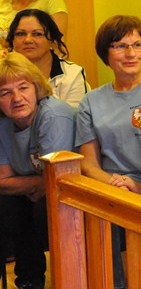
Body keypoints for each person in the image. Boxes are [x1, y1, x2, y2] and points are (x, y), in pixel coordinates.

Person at [74, 15, 141, 289]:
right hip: (114, 190)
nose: (130, 53)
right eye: (119, 46)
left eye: (137, 45)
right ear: (105, 53)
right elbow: (88, 164)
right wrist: (118, 187)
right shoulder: (91, 101)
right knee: (99, 218)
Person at [0, 52, 76, 289]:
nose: (17, 98)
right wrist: (36, 183)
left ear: (36, 87)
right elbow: (3, 181)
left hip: (72, 194)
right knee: (7, 205)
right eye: (5, 93)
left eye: (23, 88)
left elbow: (58, 180)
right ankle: (29, 281)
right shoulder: (3, 123)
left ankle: (69, 279)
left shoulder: (53, 115)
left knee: (42, 209)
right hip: (30, 193)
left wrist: (33, 183)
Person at [8, 9, 90, 107]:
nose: (28, 40)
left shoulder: (72, 74)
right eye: (21, 34)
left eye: (37, 34)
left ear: (52, 41)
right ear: (12, 40)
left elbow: (73, 115)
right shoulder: (3, 73)